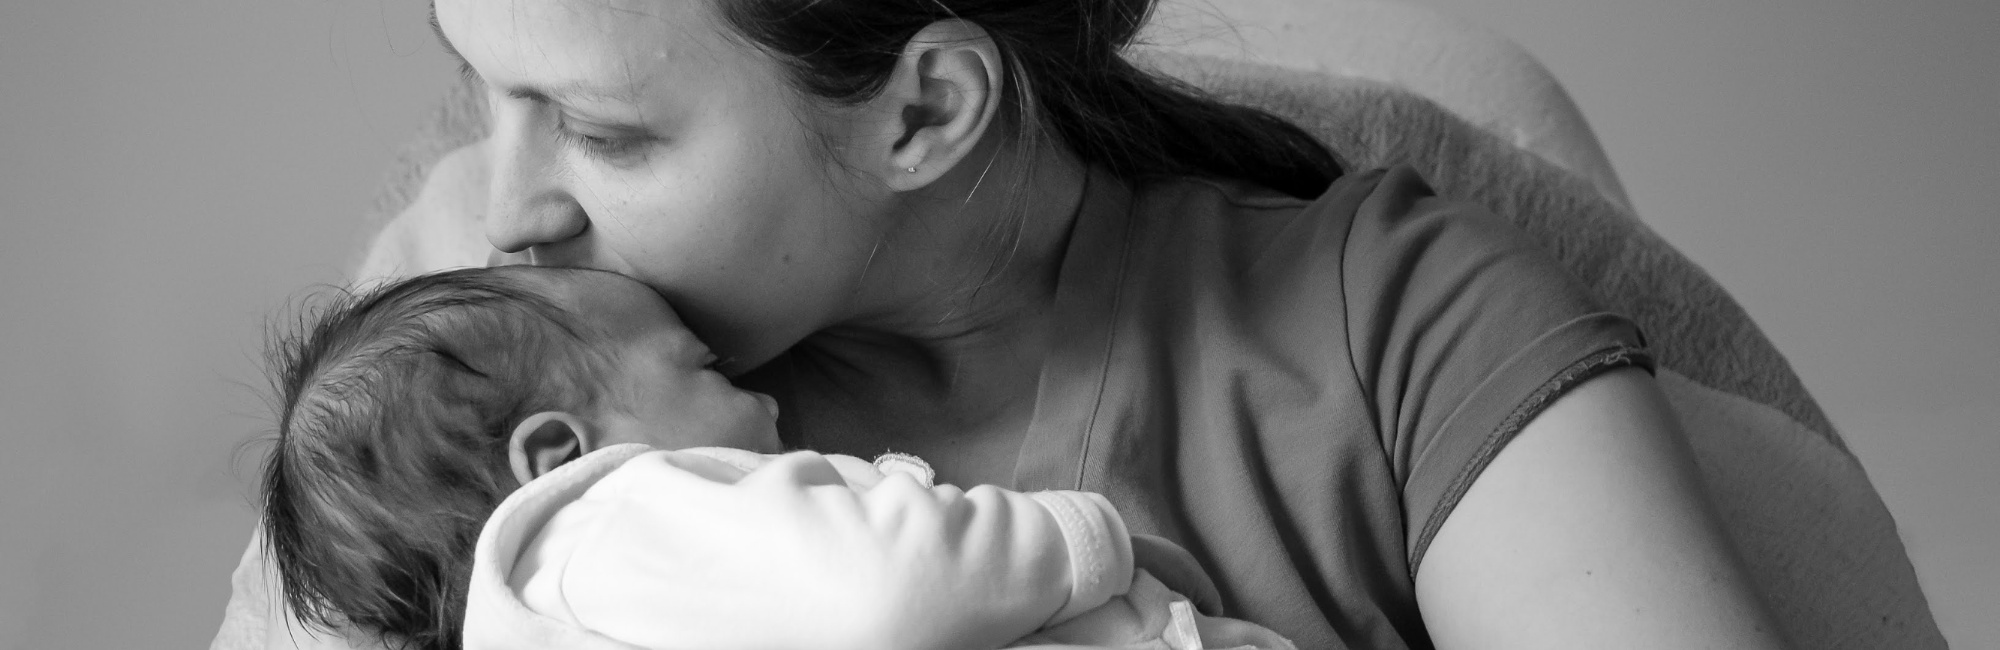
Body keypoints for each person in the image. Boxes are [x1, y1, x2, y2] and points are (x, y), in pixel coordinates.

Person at [244, 0, 1797, 648]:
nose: (504, 204)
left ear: (925, 107)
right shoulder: (470, 425)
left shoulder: (1401, 326)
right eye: (481, 89)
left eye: (600, 131)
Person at [261, 265, 1295, 650]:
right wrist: (1076, 539)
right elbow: (882, 593)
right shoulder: (608, 523)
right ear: (559, 452)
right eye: (702, 366)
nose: (761, 396)